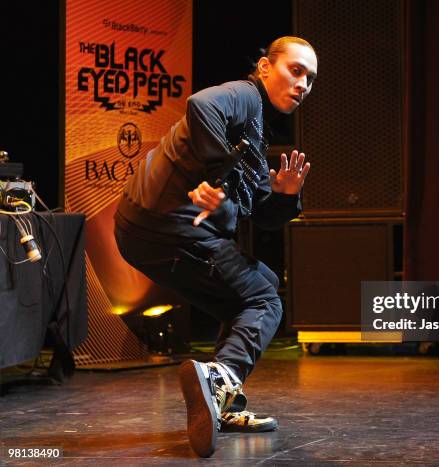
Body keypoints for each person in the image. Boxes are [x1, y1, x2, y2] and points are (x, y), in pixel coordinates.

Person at [114, 36, 318, 457]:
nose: (303, 85)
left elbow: (263, 215)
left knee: (247, 297)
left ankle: (219, 399)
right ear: (265, 68)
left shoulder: (257, 138)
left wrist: (285, 194)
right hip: (169, 223)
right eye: (295, 70)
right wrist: (214, 174)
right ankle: (220, 379)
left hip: (147, 231)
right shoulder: (245, 95)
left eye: (310, 79)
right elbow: (201, 104)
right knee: (264, 297)